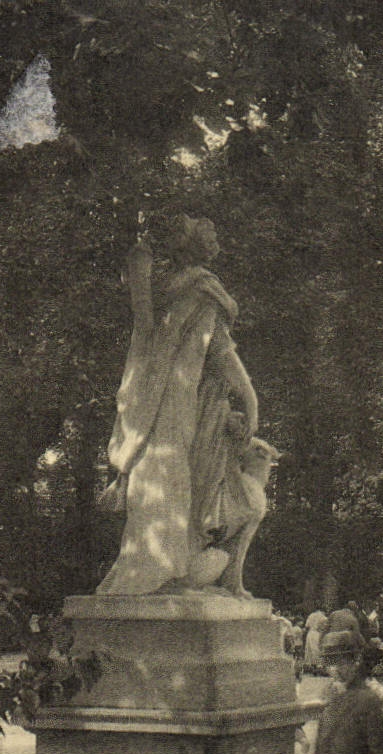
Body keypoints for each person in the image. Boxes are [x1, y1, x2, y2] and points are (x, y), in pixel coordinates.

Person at [97, 218, 260, 596]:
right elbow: (221, 353)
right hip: (171, 403)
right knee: (165, 481)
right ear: (198, 245)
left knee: (162, 481)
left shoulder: (180, 292)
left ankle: (159, 572)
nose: (217, 239)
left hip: (161, 401)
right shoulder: (202, 291)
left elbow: (207, 347)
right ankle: (154, 575)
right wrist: (250, 399)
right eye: (212, 234)